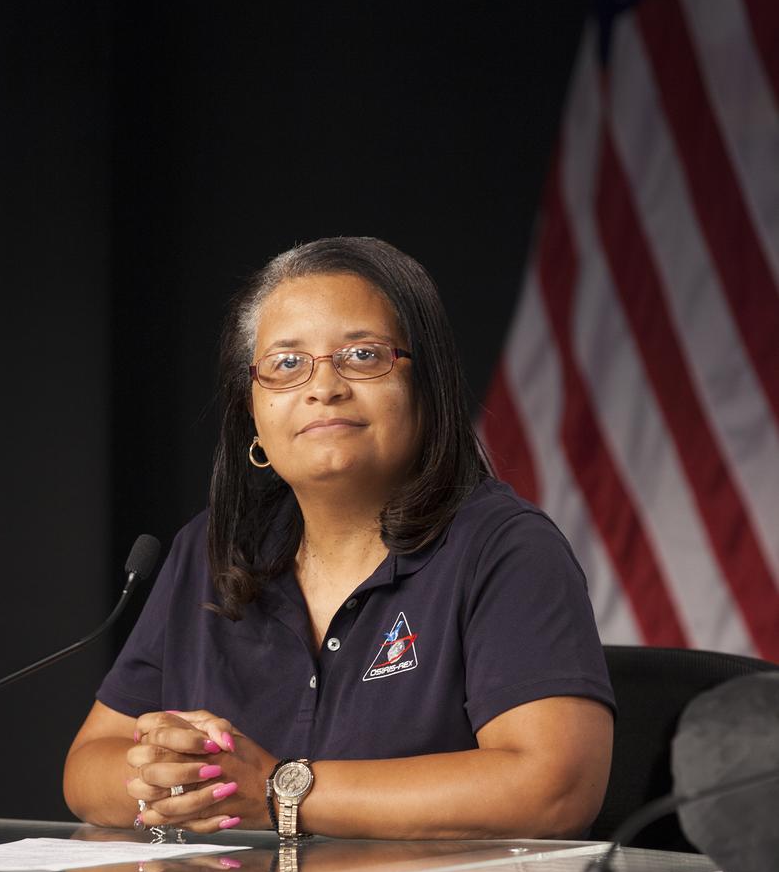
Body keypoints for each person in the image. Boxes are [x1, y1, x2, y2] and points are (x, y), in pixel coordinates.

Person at [64, 236, 614, 840]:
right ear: (252, 416)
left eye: (362, 355)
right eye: (287, 364)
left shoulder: (507, 551)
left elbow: (554, 788)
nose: (323, 387)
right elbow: (89, 766)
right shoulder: (209, 550)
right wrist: (168, 777)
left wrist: (279, 791)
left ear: (425, 389)